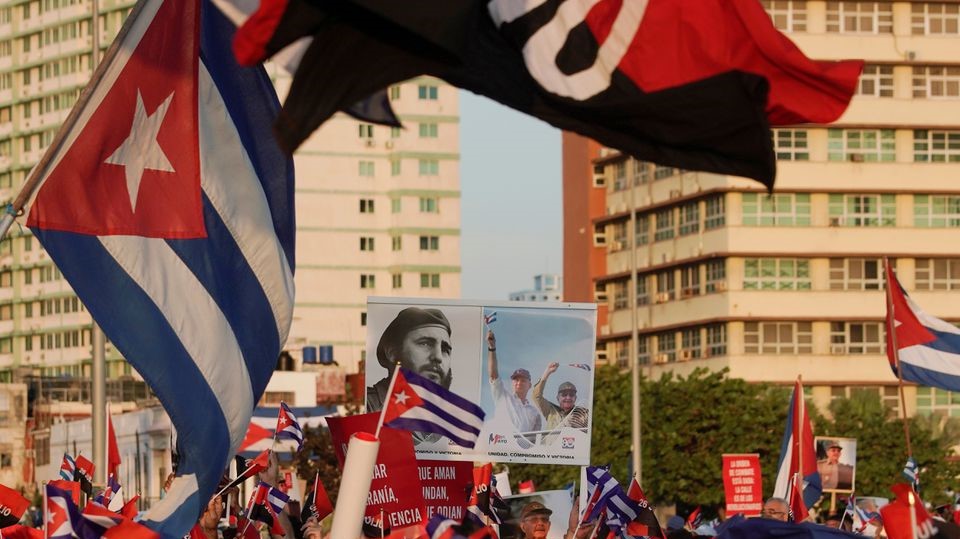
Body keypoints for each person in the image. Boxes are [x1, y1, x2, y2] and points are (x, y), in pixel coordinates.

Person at [366, 307, 453, 412]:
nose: (438, 357)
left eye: (445, 349)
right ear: (392, 353)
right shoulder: (365, 406)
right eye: (425, 343)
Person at [487, 330, 542, 432]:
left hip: (521, 448)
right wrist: (492, 348)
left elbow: (535, 440)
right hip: (499, 447)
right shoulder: (502, 396)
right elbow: (493, 374)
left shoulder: (535, 413)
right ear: (512, 382)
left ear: (529, 385)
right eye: (516, 380)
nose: (519, 383)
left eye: (523, 380)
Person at [533, 362, 590, 430]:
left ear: (575, 398)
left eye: (571, 395)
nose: (568, 398)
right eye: (564, 395)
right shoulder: (550, 411)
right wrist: (548, 371)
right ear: (557, 398)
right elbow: (536, 396)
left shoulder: (583, 413)